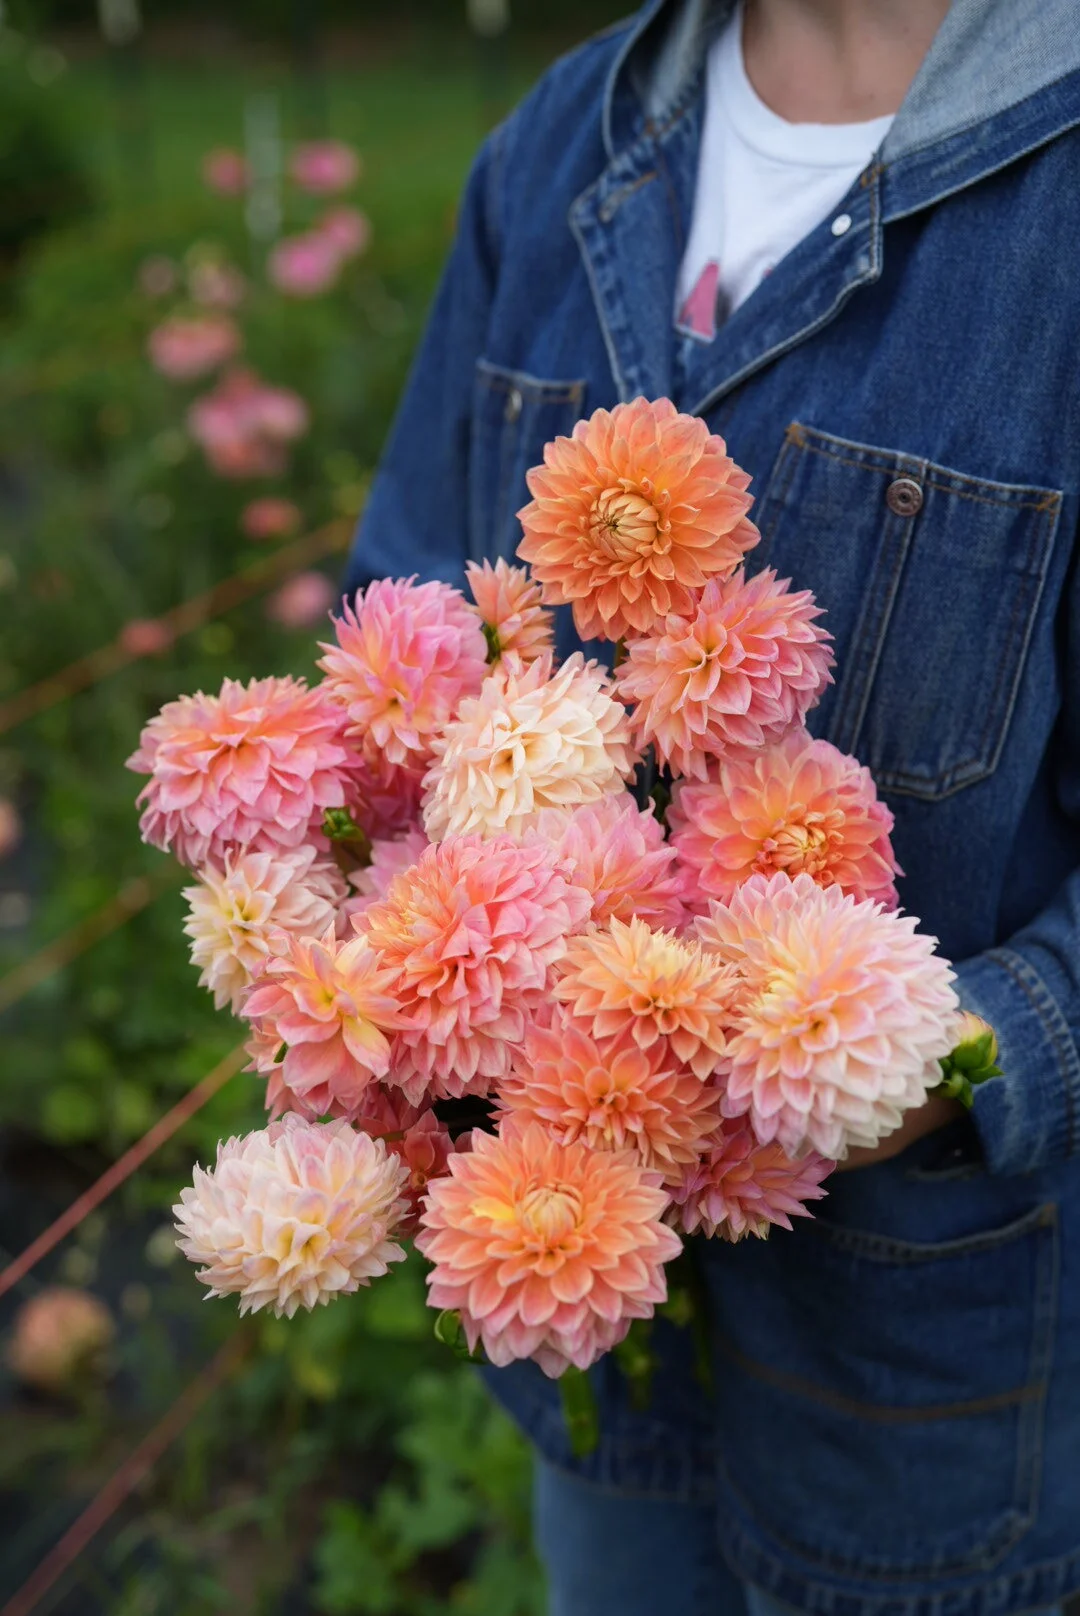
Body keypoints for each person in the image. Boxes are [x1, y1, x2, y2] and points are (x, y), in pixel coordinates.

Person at [343, 1, 1080, 1612]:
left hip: (927, 1399)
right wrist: (365, 948)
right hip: (588, 1359)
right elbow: (398, 620)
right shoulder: (561, 146)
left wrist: (959, 1054)